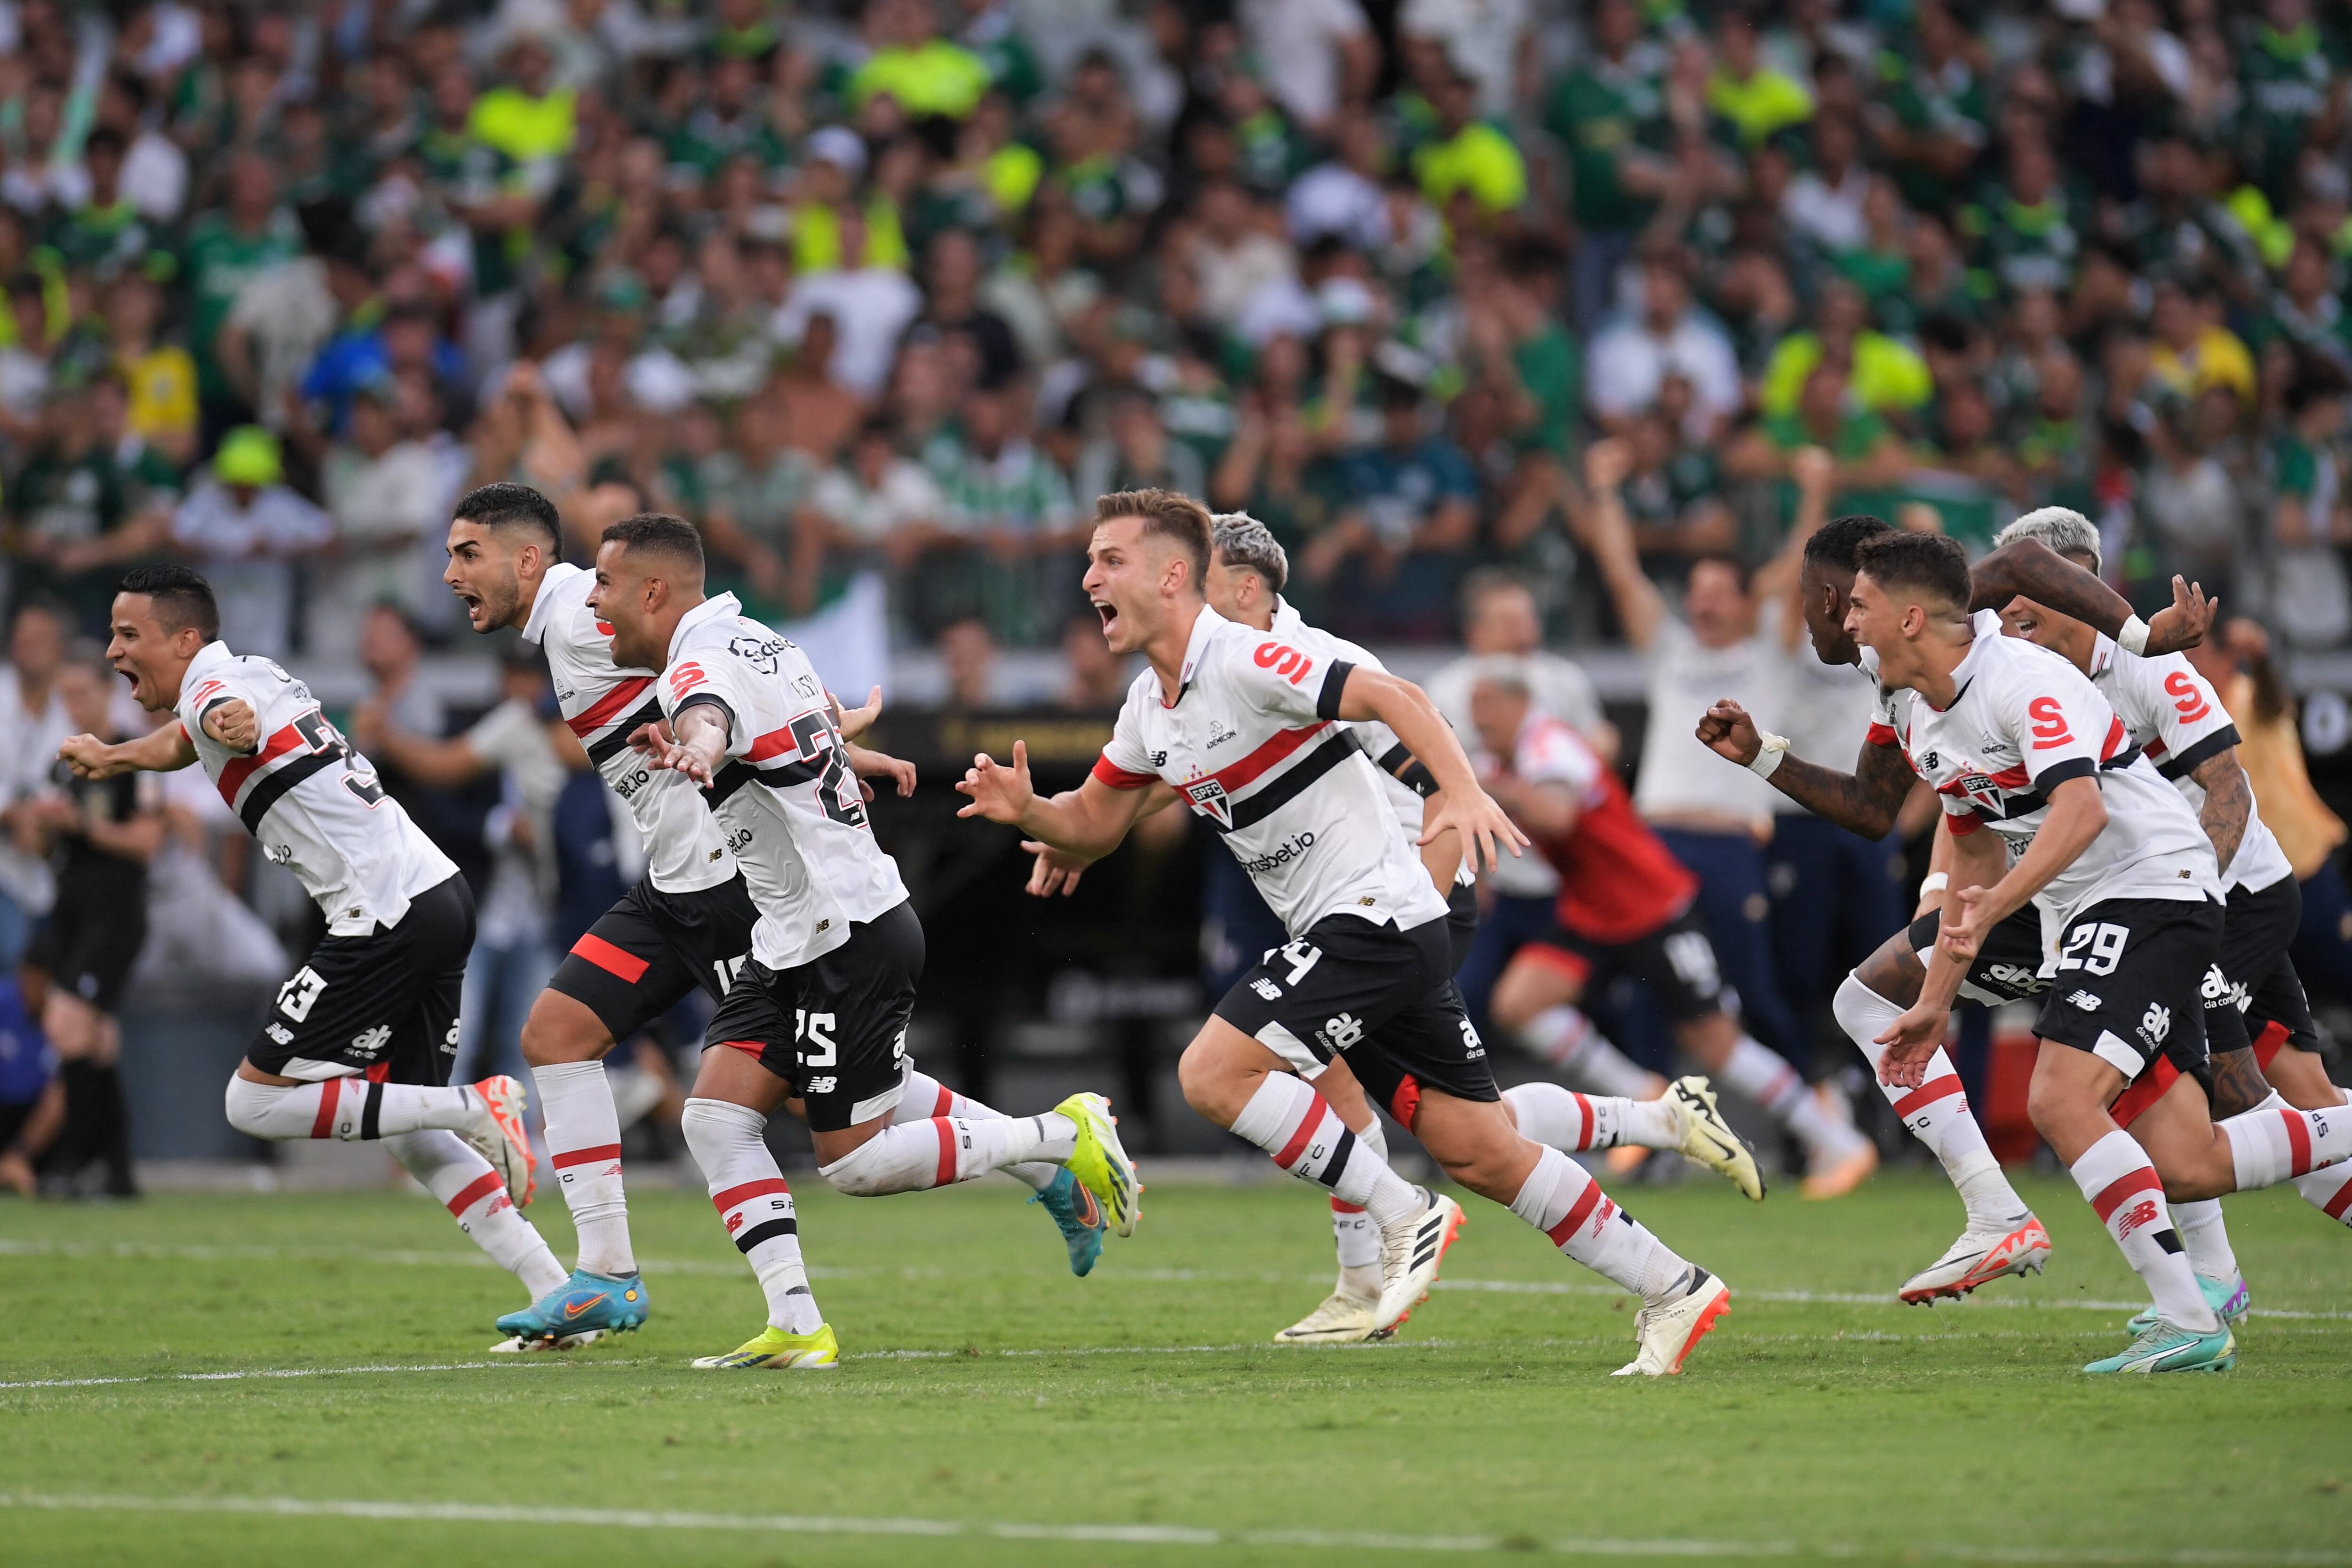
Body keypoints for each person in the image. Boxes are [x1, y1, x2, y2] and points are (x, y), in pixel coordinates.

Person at [960, 488, 1735, 1376]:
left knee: (1214, 1070)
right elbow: (1097, 820)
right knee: (1480, 1146)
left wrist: (1464, 788)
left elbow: (1391, 692)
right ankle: (1675, 1285)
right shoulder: (1149, 705)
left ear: (1177, 575)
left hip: (1379, 913)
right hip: (1367, 926)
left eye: (1109, 559)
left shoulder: (1255, 658)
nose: (1088, 576)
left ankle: (1403, 1216)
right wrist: (1035, 813)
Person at [435, 484, 1113, 1358]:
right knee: (562, 1032)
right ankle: (620, 1275)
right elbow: (736, 678)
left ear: (527, 560)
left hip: (731, 887)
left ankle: (1050, 1155)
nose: (451, 574)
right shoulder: (596, 624)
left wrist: (740, 742)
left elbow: (710, 693)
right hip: (675, 880)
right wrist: (828, 740)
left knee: (811, 1104)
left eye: (467, 554)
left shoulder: (581, 619)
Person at [1845, 532, 2352, 1373]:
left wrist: (1994, 909)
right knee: (2189, 1161)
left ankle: (2190, 1312)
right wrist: (1937, 994)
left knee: (2062, 1097)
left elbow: (2081, 810)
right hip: (2089, 911)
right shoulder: (1917, 707)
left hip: (2156, 885)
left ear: (1908, 616)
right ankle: (2200, 1302)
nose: (1847, 622)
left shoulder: (2025, 680)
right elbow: (1971, 849)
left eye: (1858, 604)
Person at [1695, 513, 2227, 1303]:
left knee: (2208, 1105)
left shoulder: (1981, 651)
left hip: (2150, 880)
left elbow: (2019, 560)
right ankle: (2003, 1215)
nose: (1820, 619)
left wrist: (2142, 636)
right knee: (1877, 998)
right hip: (2063, 895)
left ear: (1855, 595)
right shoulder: (1907, 687)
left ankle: (2200, 1291)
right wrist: (1764, 755)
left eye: (1820, 600)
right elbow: (1887, 811)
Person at [57, 565, 561, 1337]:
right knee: (406, 1129)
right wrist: (118, 754)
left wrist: (234, 726)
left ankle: (477, 1104)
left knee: (252, 1101)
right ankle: (561, 1292)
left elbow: (227, 719)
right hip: (436, 895)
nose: (114, 651)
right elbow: (191, 735)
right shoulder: (246, 669)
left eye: (130, 635)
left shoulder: (221, 692)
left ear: (185, 639)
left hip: (383, 914)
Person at [1994, 508, 2352, 1277]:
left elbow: (2230, 791)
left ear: (2078, 583)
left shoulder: (2150, 663)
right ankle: (2217, 1286)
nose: (2007, 617)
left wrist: (2184, 904)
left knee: (2221, 1099)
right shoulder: (2027, 679)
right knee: (2293, 1098)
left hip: (2228, 892)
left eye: (2022, 597)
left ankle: (2214, 1286)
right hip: (2161, 901)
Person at [1577, 435, 1877, 1194]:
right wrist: (1605, 488)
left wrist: (1814, 487)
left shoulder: (1771, 652)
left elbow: (1794, 578)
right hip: (1655, 843)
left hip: (1732, 846)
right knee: (1644, 990)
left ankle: (1814, 1133)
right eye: (1698, 588)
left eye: (1719, 589)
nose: (1703, 599)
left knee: (1754, 991)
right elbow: (1621, 571)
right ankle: (1642, 1139)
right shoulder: (1671, 650)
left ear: (1748, 600)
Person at [356, 642, 570, 1087]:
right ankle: (439, 1144)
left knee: (531, 1043)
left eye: (533, 678)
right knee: (458, 1037)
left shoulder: (571, 729)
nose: (524, 688)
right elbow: (440, 786)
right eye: (516, 675)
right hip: (478, 911)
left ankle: (521, 1149)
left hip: (546, 912)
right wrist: (500, 827)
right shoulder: (498, 724)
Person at [24, 647, 164, 1197]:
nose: (73, 705)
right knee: (97, 1041)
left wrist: (82, 824)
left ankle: (71, 1161)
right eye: (66, 695)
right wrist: (41, 827)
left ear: (108, 692)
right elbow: (40, 851)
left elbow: (148, 842)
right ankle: (118, 1171)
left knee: (66, 1025)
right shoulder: (61, 763)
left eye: (82, 692)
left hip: (115, 915)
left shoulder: (137, 756)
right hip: (71, 910)